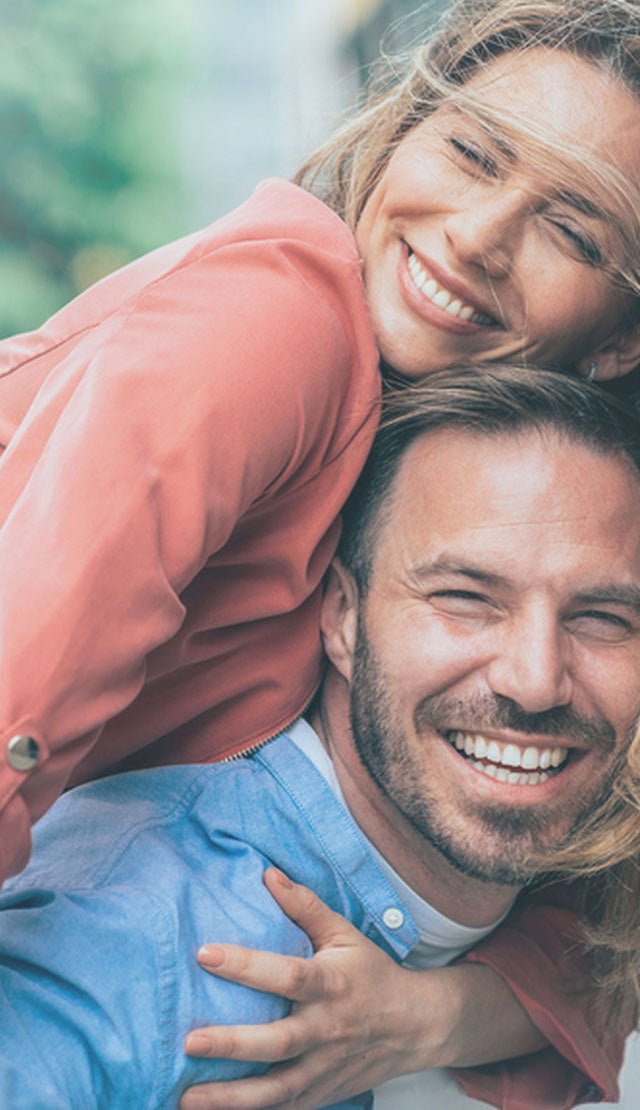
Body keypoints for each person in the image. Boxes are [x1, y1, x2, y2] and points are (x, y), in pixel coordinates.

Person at [1, 0, 640, 1100]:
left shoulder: (522, 475)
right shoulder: (281, 328)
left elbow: (603, 923)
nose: (477, 235)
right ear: (395, 134)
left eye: (572, 232)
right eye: (472, 153)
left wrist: (432, 1017)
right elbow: (18, 693)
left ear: (620, 338)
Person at [1, 366, 640, 1110]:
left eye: (603, 618)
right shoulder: (164, 941)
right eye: (464, 599)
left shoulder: (584, 912)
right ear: (342, 616)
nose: (535, 681)